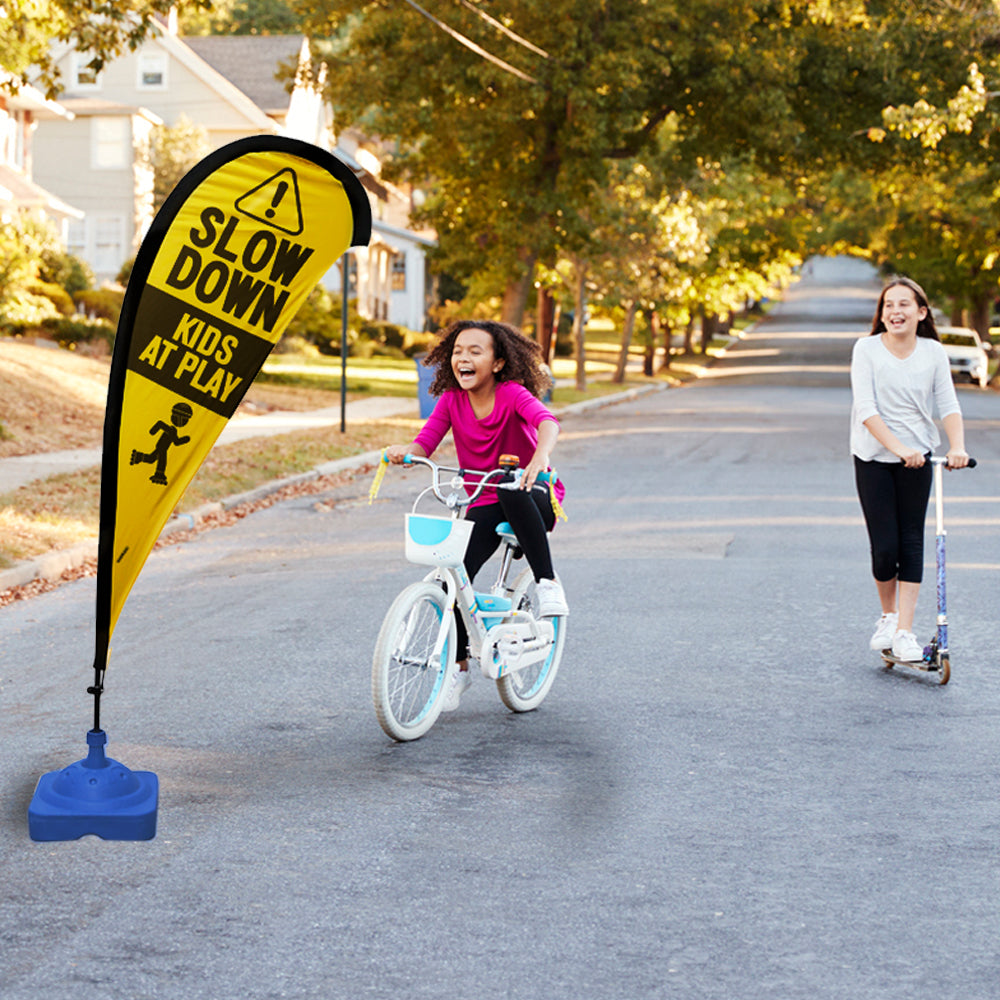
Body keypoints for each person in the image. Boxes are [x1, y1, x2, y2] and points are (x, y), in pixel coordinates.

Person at [385, 319, 568, 711]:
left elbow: (547, 422)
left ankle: (547, 582)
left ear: (498, 363)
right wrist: (406, 453)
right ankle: (459, 667)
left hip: (533, 492)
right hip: (486, 498)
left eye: (474, 351)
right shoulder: (452, 400)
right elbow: (425, 442)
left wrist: (540, 456)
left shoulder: (511, 393)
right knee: (453, 576)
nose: (462, 358)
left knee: (507, 482)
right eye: (457, 351)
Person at [850, 276, 969, 661]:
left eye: (903, 304)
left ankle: (904, 631)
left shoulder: (933, 352)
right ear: (882, 313)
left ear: (921, 312)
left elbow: (948, 405)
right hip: (873, 457)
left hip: (918, 457)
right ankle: (887, 617)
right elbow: (866, 409)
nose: (895, 311)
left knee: (912, 541)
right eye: (888, 305)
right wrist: (901, 449)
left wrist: (957, 447)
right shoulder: (866, 349)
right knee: (885, 548)